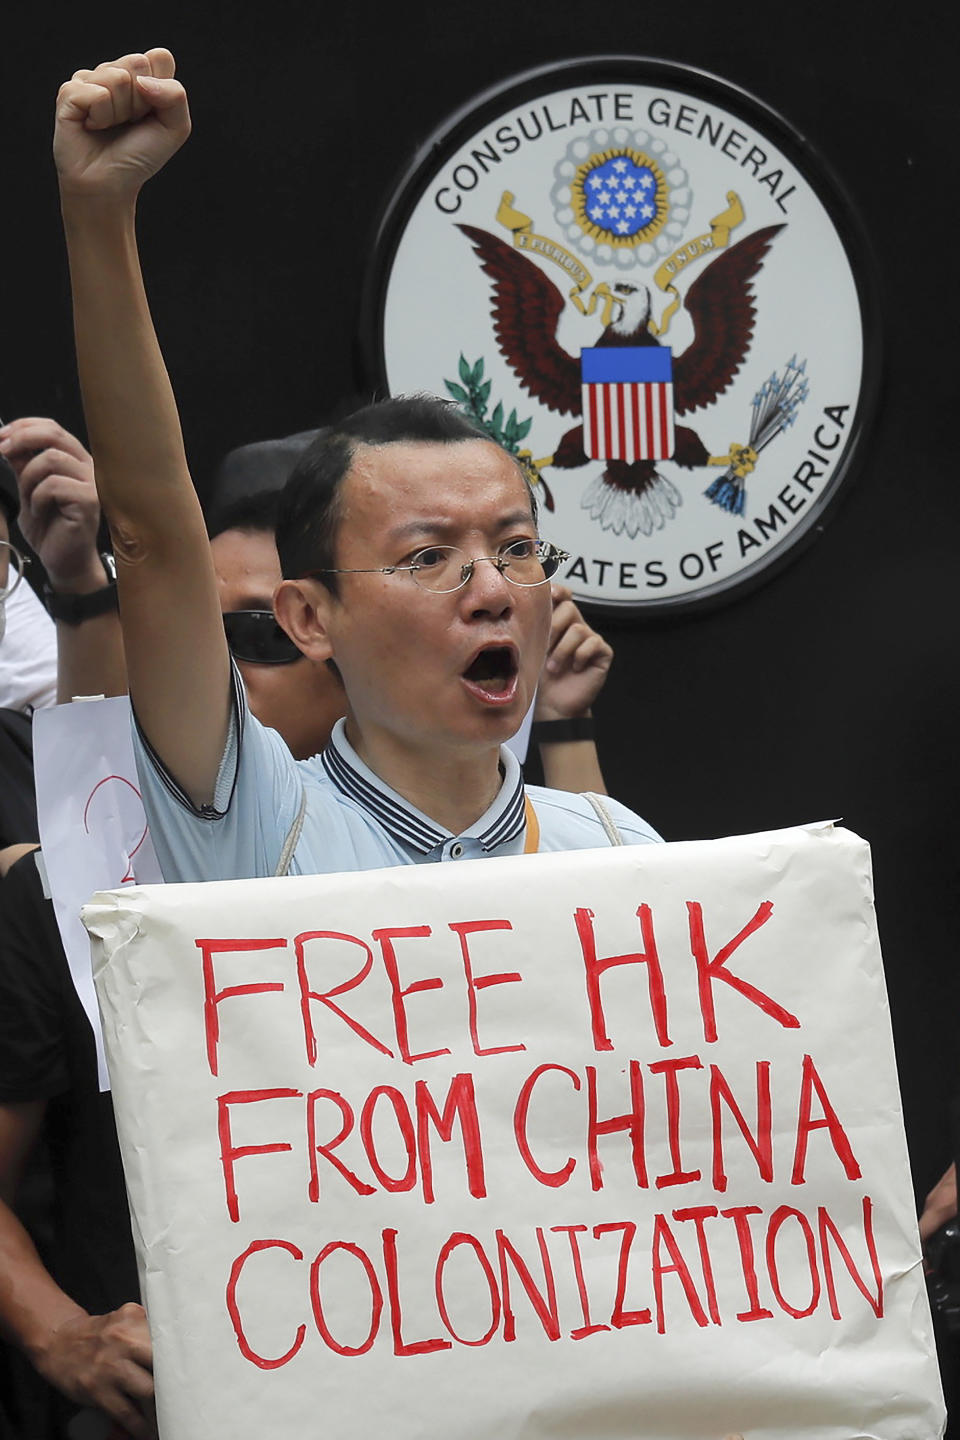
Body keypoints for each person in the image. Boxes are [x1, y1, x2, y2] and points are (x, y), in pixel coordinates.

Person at [25, 47, 658, 891]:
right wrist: (98, 212)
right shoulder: (253, 825)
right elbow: (152, 536)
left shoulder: (623, 851)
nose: (494, 589)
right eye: (428, 556)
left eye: (516, 547)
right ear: (309, 618)